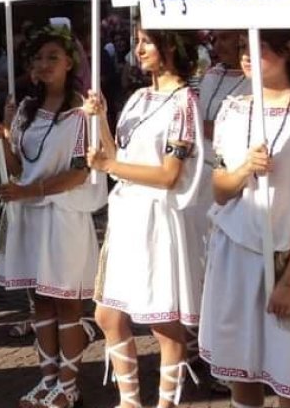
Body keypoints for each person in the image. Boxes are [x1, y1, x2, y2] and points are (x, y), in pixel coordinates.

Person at [201, 29, 290, 407]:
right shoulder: (234, 110)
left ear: (287, 50)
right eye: (241, 48)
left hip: (287, 259)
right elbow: (219, 189)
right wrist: (244, 168)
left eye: (257, 48)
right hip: (236, 255)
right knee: (240, 373)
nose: (245, 56)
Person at [85, 27, 207, 408]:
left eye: (147, 41)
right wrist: (101, 119)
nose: (138, 49)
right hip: (127, 212)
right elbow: (116, 156)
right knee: (108, 314)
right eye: (138, 41)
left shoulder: (185, 102)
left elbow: (170, 175)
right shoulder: (139, 96)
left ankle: (166, 403)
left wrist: (111, 163)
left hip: (158, 216)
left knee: (162, 320)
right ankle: (130, 401)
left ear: (171, 47)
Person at [0, 25, 99, 408]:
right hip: (30, 217)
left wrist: (30, 191)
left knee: (66, 301)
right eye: (38, 58)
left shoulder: (84, 112)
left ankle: (69, 387)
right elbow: (19, 166)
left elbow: (80, 172)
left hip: (63, 217)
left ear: (70, 62)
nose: (44, 64)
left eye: (53, 57)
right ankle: (48, 379)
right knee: (40, 301)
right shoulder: (25, 109)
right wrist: (2, 138)